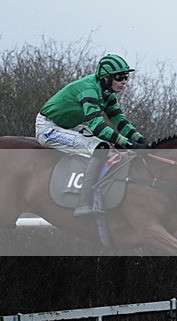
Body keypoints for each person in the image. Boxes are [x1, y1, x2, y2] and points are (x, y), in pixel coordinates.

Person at [36, 54, 149, 216]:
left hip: (69, 126)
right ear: (105, 78)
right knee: (100, 147)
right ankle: (83, 203)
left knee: (111, 145)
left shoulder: (108, 93)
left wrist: (140, 139)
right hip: (48, 128)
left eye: (126, 76)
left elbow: (119, 121)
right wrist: (129, 144)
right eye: (119, 77)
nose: (124, 81)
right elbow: (98, 127)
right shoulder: (89, 90)